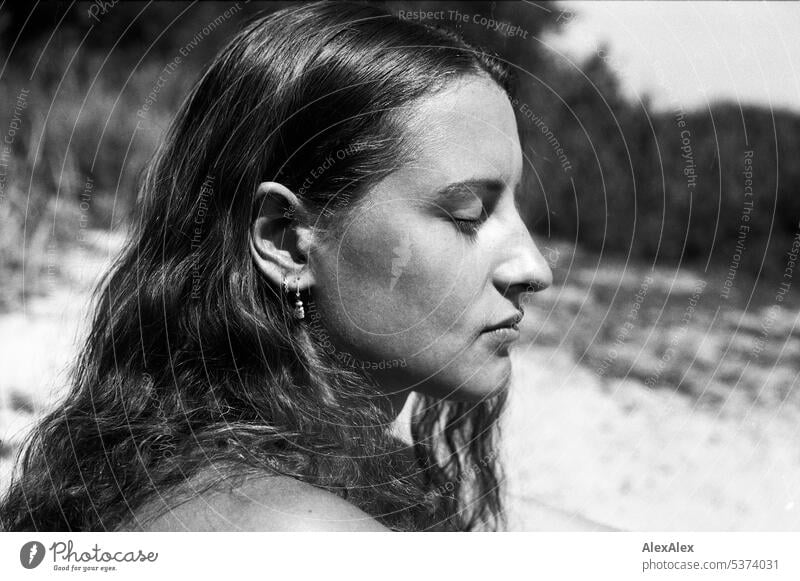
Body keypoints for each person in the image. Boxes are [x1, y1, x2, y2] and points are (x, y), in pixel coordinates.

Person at [0, 1, 555, 532]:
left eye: (515, 210)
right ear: (288, 242)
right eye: (468, 215)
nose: (534, 267)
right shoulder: (302, 533)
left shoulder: (178, 461)